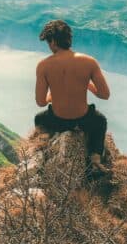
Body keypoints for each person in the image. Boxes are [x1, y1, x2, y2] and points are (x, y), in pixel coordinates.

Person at [34, 19, 111, 175]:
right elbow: (104, 94)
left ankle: (46, 150)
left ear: (54, 41)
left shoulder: (43, 66)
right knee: (100, 121)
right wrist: (87, 84)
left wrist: (51, 96)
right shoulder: (89, 62)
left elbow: (40, 102)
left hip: (58, 121)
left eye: (49, 42)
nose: (49, 46)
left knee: (39, 119)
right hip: (83, 120)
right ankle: (95, 157)